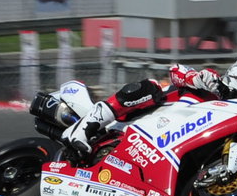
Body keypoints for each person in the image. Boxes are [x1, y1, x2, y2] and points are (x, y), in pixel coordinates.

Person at [57, 63, 228, 163]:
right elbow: (176, 69)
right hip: (136, 120)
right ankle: (82, 130)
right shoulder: (214, 85)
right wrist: (196, 78)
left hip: (161, 153)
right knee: (150, 87)